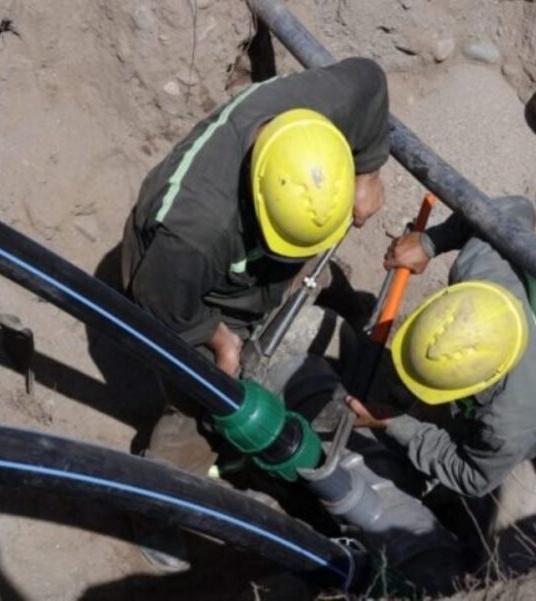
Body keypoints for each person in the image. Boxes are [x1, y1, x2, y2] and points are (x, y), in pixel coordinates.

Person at [120, 57, 391, 571]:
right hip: (181, 293)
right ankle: (156, 502)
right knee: (202, 401)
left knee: (307, 289)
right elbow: (160, 308)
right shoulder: (192, 237)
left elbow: (371, 81)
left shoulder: (322, 111)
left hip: (248, 255)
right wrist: (220, 340)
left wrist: (368, 171)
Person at [346, 195, 536, 571]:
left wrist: (393, 423)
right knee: (432, 430)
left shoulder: (511, 420)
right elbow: (514, 207)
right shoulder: (483, 264)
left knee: (513, 556)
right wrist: (429, 242)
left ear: (485, 381)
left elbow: (473, 475)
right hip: (535, 386)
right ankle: (432, 491)